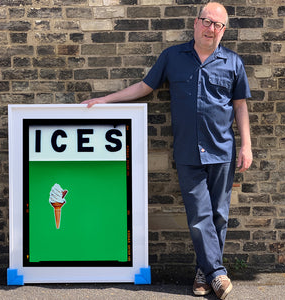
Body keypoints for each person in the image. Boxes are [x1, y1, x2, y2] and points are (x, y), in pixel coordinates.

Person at [82, 2, 252, 299]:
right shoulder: (172, 57)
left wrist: (247, 145)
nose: (211, 29)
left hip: (223, 149)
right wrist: (106, 100)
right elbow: (144, 87)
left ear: (224, 31)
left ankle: (204, 274)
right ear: (196, 22)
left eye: (218, 25)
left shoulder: (233, 62)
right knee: (200, 216)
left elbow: (240, 106)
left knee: (219, 216)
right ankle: (218, 274)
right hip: (188, 151)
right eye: (206, 21)